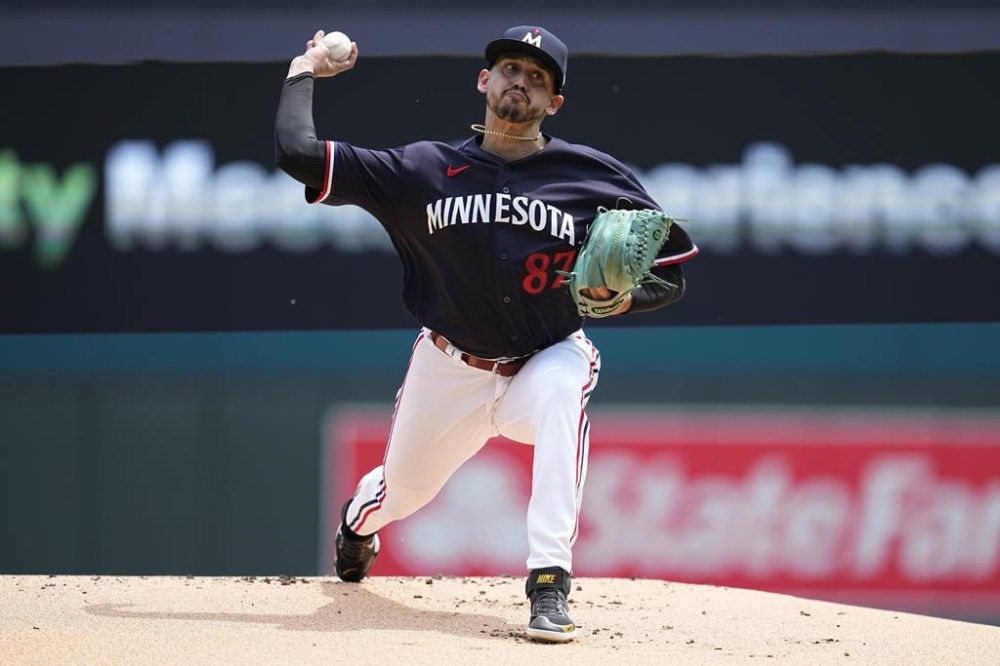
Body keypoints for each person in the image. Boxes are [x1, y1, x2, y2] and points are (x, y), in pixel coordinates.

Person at [275, 24, 698, 643]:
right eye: (509, 69)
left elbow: (672, 272)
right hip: (450, 367)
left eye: (537, 77)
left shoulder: (592, 176)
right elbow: (298, 154)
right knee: (401, 491)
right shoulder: (421, 170)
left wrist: (621, 295)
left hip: (547, 353)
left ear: (554, 103)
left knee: (562, 394)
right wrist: (301, 71)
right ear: (484, 80)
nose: (519, 82)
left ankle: (549, 583)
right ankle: (359, 527)